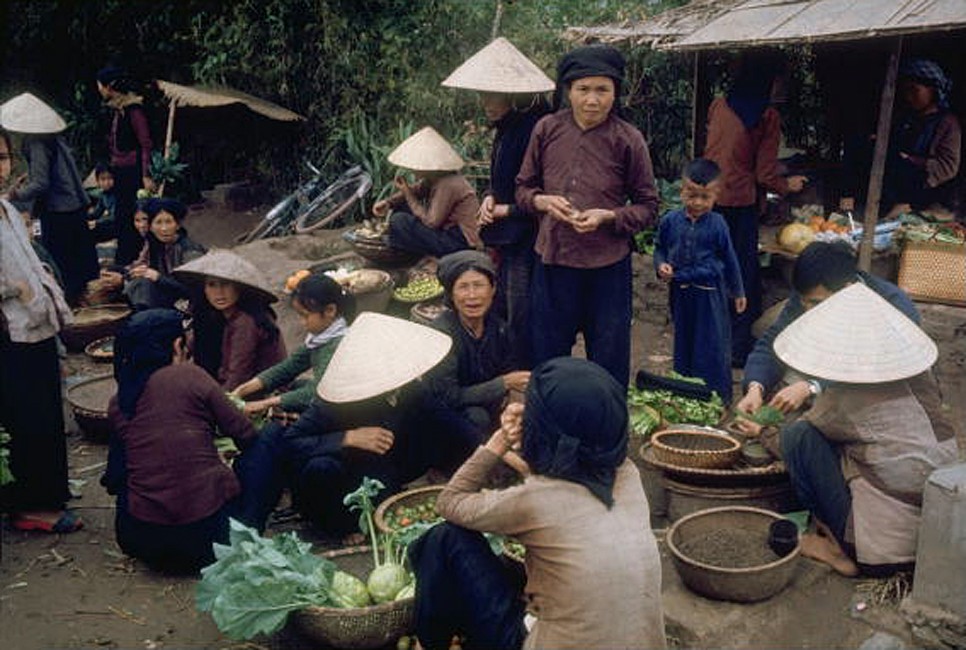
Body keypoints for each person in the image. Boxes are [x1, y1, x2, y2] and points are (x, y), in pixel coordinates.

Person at [409, 357, 666, 650]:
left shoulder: (535, 500)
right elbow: (566, 485)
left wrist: (498, 442)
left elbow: (450, 502)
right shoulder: (628, 475)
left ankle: (429, 642)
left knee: (444, 539)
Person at [769, 283, 957, 577]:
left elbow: (806, 430)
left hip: (881, 552)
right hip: (933, 534)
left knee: (798, 437)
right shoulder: (923, 378)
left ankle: (836, 548)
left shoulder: (846, 399)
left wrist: (762, 428)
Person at [516, 44, 659, 387]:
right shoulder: (547, 129)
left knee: (608, 360)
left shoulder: (629, 139)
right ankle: (548, 428)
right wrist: (542, 202)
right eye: (583, 89)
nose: (592, 100)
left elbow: (649, 207)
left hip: (607, 268)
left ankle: (607, 433)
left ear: (615, 92)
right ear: (567, 91)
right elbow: (522, 189)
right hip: (553, 261)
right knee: (548, 357)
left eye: (602, 90)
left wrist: (608, 216)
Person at [102, 309, 281, 573]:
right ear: (177, 345)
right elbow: (245, 434)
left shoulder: (120, 401)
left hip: (145, 544)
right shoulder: (190, 375)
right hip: (212, 543)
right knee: (271, 437)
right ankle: (249, 533)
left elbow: (115, 477)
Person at [263, 312, 451, 538]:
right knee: (321, 468)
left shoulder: (406, 385)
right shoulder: (335, 400)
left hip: (379, 468)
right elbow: (291, 442)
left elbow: (446, 419)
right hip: (336, 479)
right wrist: (348, 438)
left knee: (433, 430)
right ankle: (340, 528)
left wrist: (489, 451)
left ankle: (384, 504)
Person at [442, 37, 554, 365]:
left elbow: (545, 191)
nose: (485, 103)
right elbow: (502, 180)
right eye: (482, 95)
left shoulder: (537, 129)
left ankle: (524, 374)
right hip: (505, 231)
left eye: (492, 95)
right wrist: (491, 197)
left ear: (515, 96)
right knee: (503, 305)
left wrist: (510, 209)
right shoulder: (506, 128)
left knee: (521, 310)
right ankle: (504, 367)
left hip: (529, 233)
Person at [0, 127, 82, 534]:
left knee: (47, 410)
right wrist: (13, 288)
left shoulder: (9, 210)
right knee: (25, 416)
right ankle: (28, 505)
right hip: (8, 333)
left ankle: (50, 493)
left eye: (0, 158)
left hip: (35, 325)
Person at [703, 50, 808, 367]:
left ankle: (709, 338)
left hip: (708, 198)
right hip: (739, 204)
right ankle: (736, 347)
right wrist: (787, 185)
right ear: (769, 80)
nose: (782, 87)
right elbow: (765, 174)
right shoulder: (766, 116)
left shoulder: (719, 104)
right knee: (742, 274)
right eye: (779, 80)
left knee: (712, 268)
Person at [735, 241, 919, 419]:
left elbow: (872, 367)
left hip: (882, 386)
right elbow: (773, 342)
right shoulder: (808, 296)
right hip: (827, 366)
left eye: (815, 303)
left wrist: (812, 387)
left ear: (847, 289)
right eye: (803, 301)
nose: (807, 309)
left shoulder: (894, 307)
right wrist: (755, 386)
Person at [426, 251, 530, 471]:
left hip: (488, 409)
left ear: (492, 290)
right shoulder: (442, 334)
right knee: (478, 416)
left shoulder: (499, 327)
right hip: (451, 419)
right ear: (451, 294)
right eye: (463, 287)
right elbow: (448, 397)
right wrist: (503, 384)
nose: (472, 295)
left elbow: (510, 372)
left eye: (479, 285)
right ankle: (457, 469)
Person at [654, 159, 745, 402]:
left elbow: (729, 258)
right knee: (684, 341)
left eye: (705, 197)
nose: (697, 203)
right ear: (681, 191)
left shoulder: (718, 225)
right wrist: (659, 264)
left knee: (711, 344)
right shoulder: (670, 221)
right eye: (691, 195)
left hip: (709, 293)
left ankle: (717, 398)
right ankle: (684, 395)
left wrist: (738, 291)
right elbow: (659, 248)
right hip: (681, 293)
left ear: (716, 195)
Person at [1, 93, 99, 306]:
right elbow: (52, 174)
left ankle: (72, 306)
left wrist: (13, 194)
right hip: (74, 205)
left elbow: (41, 184)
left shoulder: (36, 142)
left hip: (60, 209)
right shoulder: (53, 139)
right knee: (77, 261)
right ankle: (80, 303)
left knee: (63, 262)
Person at [842, 59, 961, 216]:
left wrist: (911, 160)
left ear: (932, 90)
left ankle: (904, 206)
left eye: (914, 90)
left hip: (924, 186)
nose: (909, 96)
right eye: (906, 91)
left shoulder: (947, 123)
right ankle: (851, 202)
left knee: (902, 168)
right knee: (861, 145)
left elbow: (948, 167)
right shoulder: (906, 118)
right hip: (895, 177)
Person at [231, 272, 353, 417]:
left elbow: (317, 392)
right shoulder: (321, 338)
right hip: (327, 397)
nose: (302, 322)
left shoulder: (339, 344)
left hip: (345, 408)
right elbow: (289, 366)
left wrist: (265, 403)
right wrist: (241, 390)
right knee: (297, 385)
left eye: (305, 316)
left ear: (330, 310)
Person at [174, 249, 286, 391]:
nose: (219, 292)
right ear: (204, 289)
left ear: (238, 288)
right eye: (212, 285)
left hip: (259, 392)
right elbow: (195, 345)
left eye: (226, 284)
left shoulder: (246, 322)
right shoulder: (215, 316)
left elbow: (238, 375)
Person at [378, 126, 482, 257]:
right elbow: (416, 190)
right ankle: (403, 243)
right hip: (448, 233)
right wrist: (388, 202)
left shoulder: (448, 183)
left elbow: (431, 222)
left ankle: (406, 248)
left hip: (459, 242)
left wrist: (407, 193)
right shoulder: (435, 177)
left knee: (399, 220)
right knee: (401, 206)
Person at [99, 197, 206, 310]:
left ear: (178, 225)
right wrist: (124, 277)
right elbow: (141, 266)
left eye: (169, 222)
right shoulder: (156, 243)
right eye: (158, 223)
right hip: (167, 294)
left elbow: (194, 291)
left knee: (143, 284)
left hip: (184, 305)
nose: (164, 228)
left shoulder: (189, 250)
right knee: (114, 270)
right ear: (151, 226)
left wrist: (158, 277)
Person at [97, 65, 156, 266]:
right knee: (122, 218)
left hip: (132, 174)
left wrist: (146, 175)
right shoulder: (118, 110)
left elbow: (145, 144)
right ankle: (124, 260)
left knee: (132, 217)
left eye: (100, 86)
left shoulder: (133, 110)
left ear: (109, 87)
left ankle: (134, 259)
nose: (99, 90)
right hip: (120, 174)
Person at [87, 162, 117, 243]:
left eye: (110, 178)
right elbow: (97, 212)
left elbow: (114, 216)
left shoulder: (116, 194)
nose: (106, 182)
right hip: (108, 223)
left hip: (116, 224)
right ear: (97, 181)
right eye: (103, 179)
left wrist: (96, 222)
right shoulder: (102, 194)